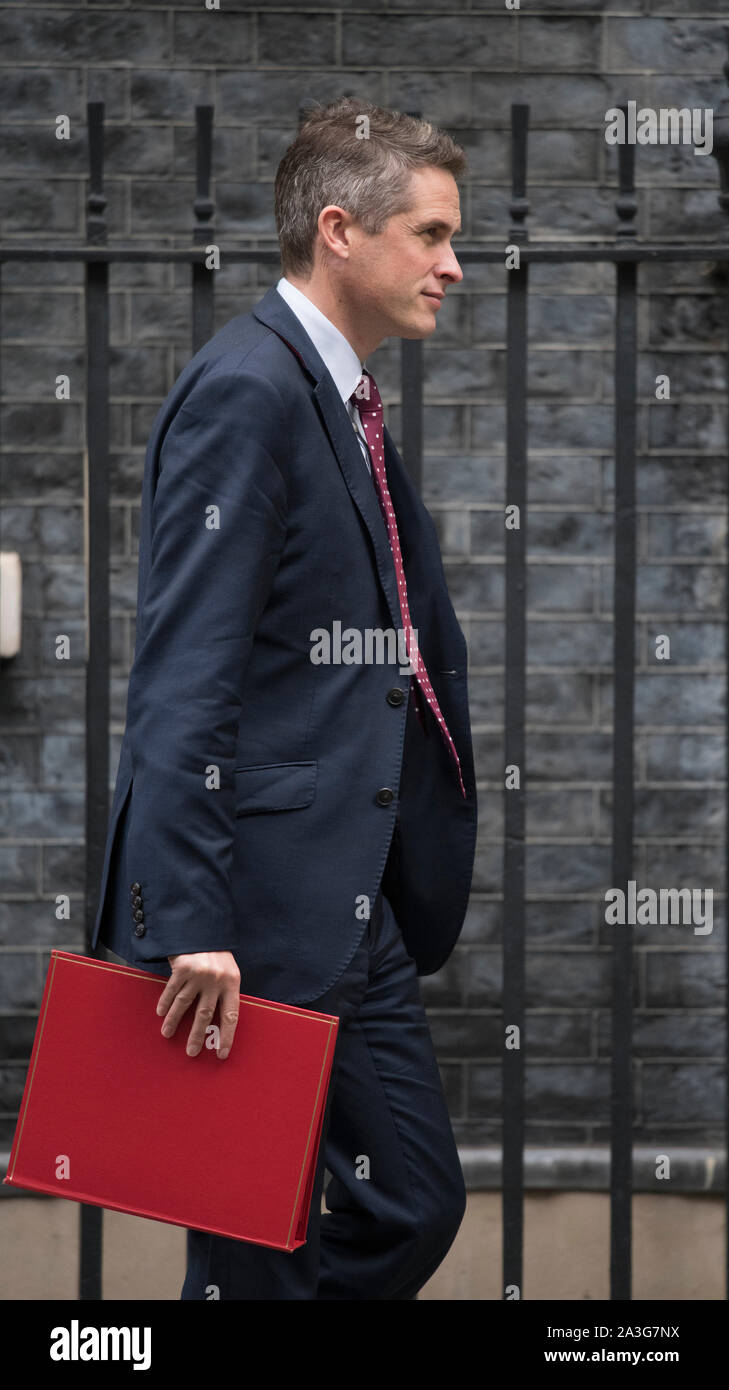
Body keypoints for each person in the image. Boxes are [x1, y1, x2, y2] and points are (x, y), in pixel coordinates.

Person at [92, 96, 478, 1300]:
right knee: (255, 1226)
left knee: (406, 1198)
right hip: (251, 912)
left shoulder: (341, 396)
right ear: (339, 231)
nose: (455, 265)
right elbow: (184, 674)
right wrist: (189, 919)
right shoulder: (250, 392)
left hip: (341, 894)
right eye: (430, 234)